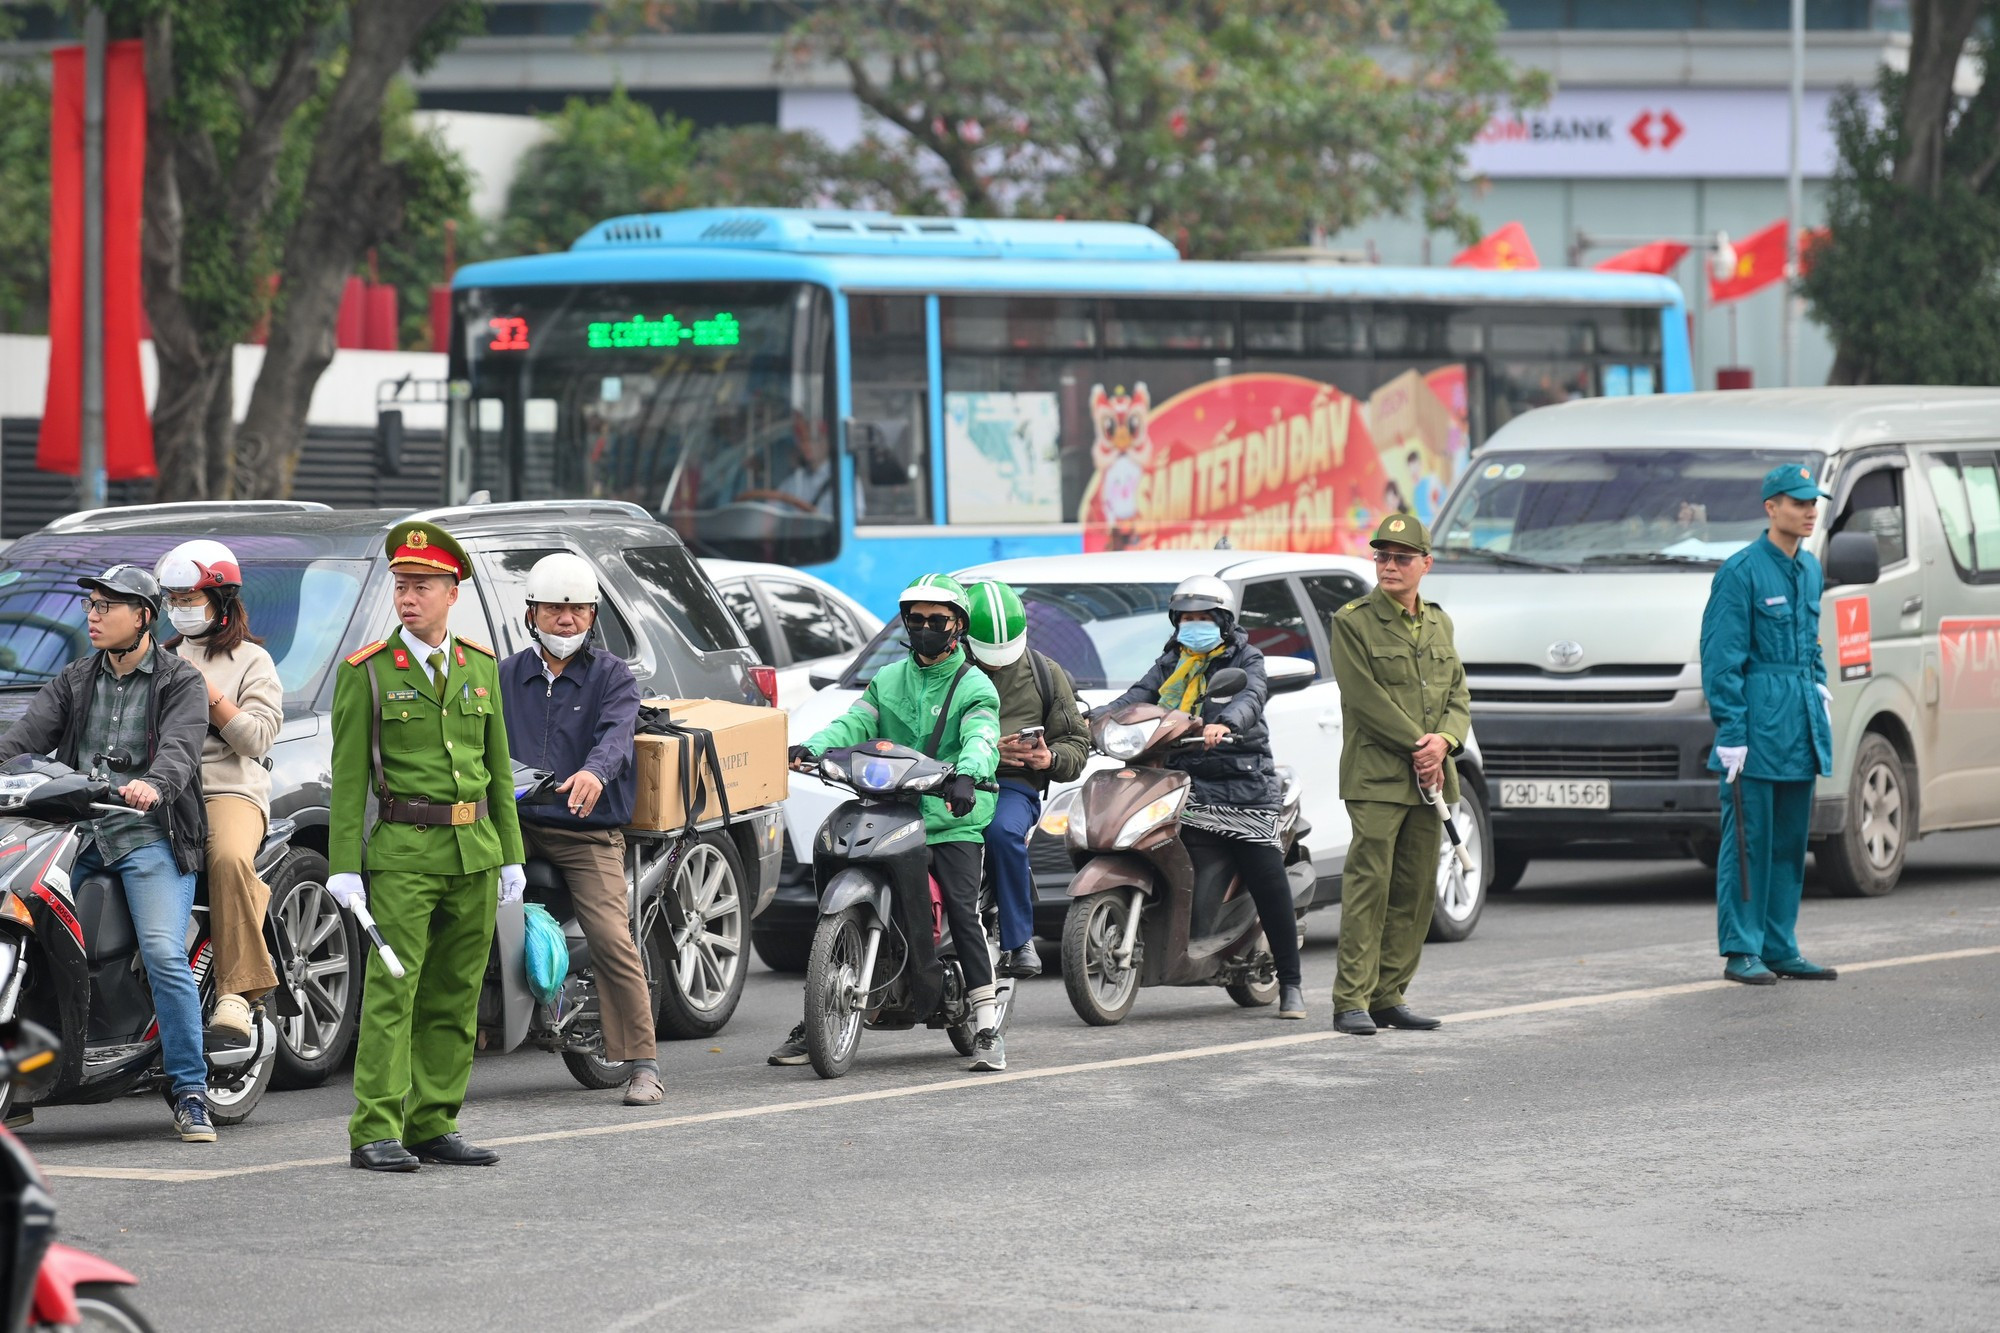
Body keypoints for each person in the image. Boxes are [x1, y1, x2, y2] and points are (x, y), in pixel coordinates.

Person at [327, 521, 525, 1173]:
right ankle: (375, 1128)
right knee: (393, 991)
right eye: (401, 586)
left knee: (456, 992)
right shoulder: (369, 672)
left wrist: (512, 852)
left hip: (474, 851)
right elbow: (349, 779)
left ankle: (434, 1121)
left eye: (422, 586)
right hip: (404, 854)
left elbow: (497, 768)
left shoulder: (480, 665)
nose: (408, 598)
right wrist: (344, 866)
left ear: (452, 592)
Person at [0, 565, 214, 1142]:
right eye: (90, 605)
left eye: (106, 606)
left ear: (143, 617)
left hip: (149, 836)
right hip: (76, 837)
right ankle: (21, 1078)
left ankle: (190, 1089)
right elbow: (22, 740)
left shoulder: (180, 681)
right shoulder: (75, 678)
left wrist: (154, 785)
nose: (93, 616)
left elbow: (180, 749)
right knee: (28, 929)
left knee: (164, 953)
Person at [768, 573, 1007, 1070]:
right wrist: (811, 747)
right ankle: (819, 1015)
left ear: (958, 626)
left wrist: (968, 774)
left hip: (949, 819)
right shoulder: (888, 678)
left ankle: (986, 1026)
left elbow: (982, 736)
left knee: (963, 911)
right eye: (915, 619)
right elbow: (854, 723)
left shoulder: (974, 685)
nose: (924, 628)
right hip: (889, 811)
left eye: (936, 620)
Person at [497, 552, 660, 1106]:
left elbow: (617, 736)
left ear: (593, 616)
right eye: (553, 609)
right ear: (531, 614)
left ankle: (643, 1064)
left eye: (578, 610)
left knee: (612, 937)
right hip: (513, 824)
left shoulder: (613, 676)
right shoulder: (503, 675)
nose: (566, 620)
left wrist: (594, 773)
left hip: (586, 829)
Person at [1103, 575, 1306, 1020]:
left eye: (1203, 618)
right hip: (1185, 786)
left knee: (1266, 876)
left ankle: (1291, 983)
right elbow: (1135, 699)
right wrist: (1092, 719)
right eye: (1186, 618)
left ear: (1224, 621)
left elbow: (1251, 695)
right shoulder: (1170, 663)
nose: (1193, 625)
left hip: (1244, 788)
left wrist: (1226, 723)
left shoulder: (1246, 658)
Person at [1327, 514, 1471, 1037]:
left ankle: (1389, 995)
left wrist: (1445, 741)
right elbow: (1365, 699)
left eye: (1401, 557)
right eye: (1382, 556)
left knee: (1414, 891)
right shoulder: (1353, 621)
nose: (1389, 565)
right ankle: (1351, 1000)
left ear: (1425, 564)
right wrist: (1420, 744)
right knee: (1370, 886)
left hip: (1430, 779)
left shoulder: (1439, 622)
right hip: (1377, 776)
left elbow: (1457, 693)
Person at [1700, 463, 1839, 986]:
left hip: (1799, 724)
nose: (1809, 511)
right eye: (1798, 502)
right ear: (1770, 508)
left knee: (1789, 843)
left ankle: (1780, 946)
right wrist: (1732, 731)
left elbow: (1811, 641)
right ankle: (1742, 948)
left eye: (1812, 503)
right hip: (1757, 726)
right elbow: (1721, 659)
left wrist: (1818, 685)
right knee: (1749, 842)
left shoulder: (1810, 569)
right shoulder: (1741, 572)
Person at [156, 540, 284, 1052]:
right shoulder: (159, 658)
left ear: (221, 600)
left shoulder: (252, 660)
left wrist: (208, 694)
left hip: (228, 789)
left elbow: (257, 739)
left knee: (228, 858)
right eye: (173, 599)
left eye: (190, 599)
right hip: (162, 791)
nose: (180, 608)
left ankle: (237, 993)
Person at [961, 579, 1089, 978]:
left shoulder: (1044, 673)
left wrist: (1049, 758)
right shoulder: (944, 671)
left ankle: (1019, 940)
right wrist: (989, 751)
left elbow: (1076, 744)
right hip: (946, 779)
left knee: (1002, 833)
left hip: (1011, 787)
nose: (997, 664)